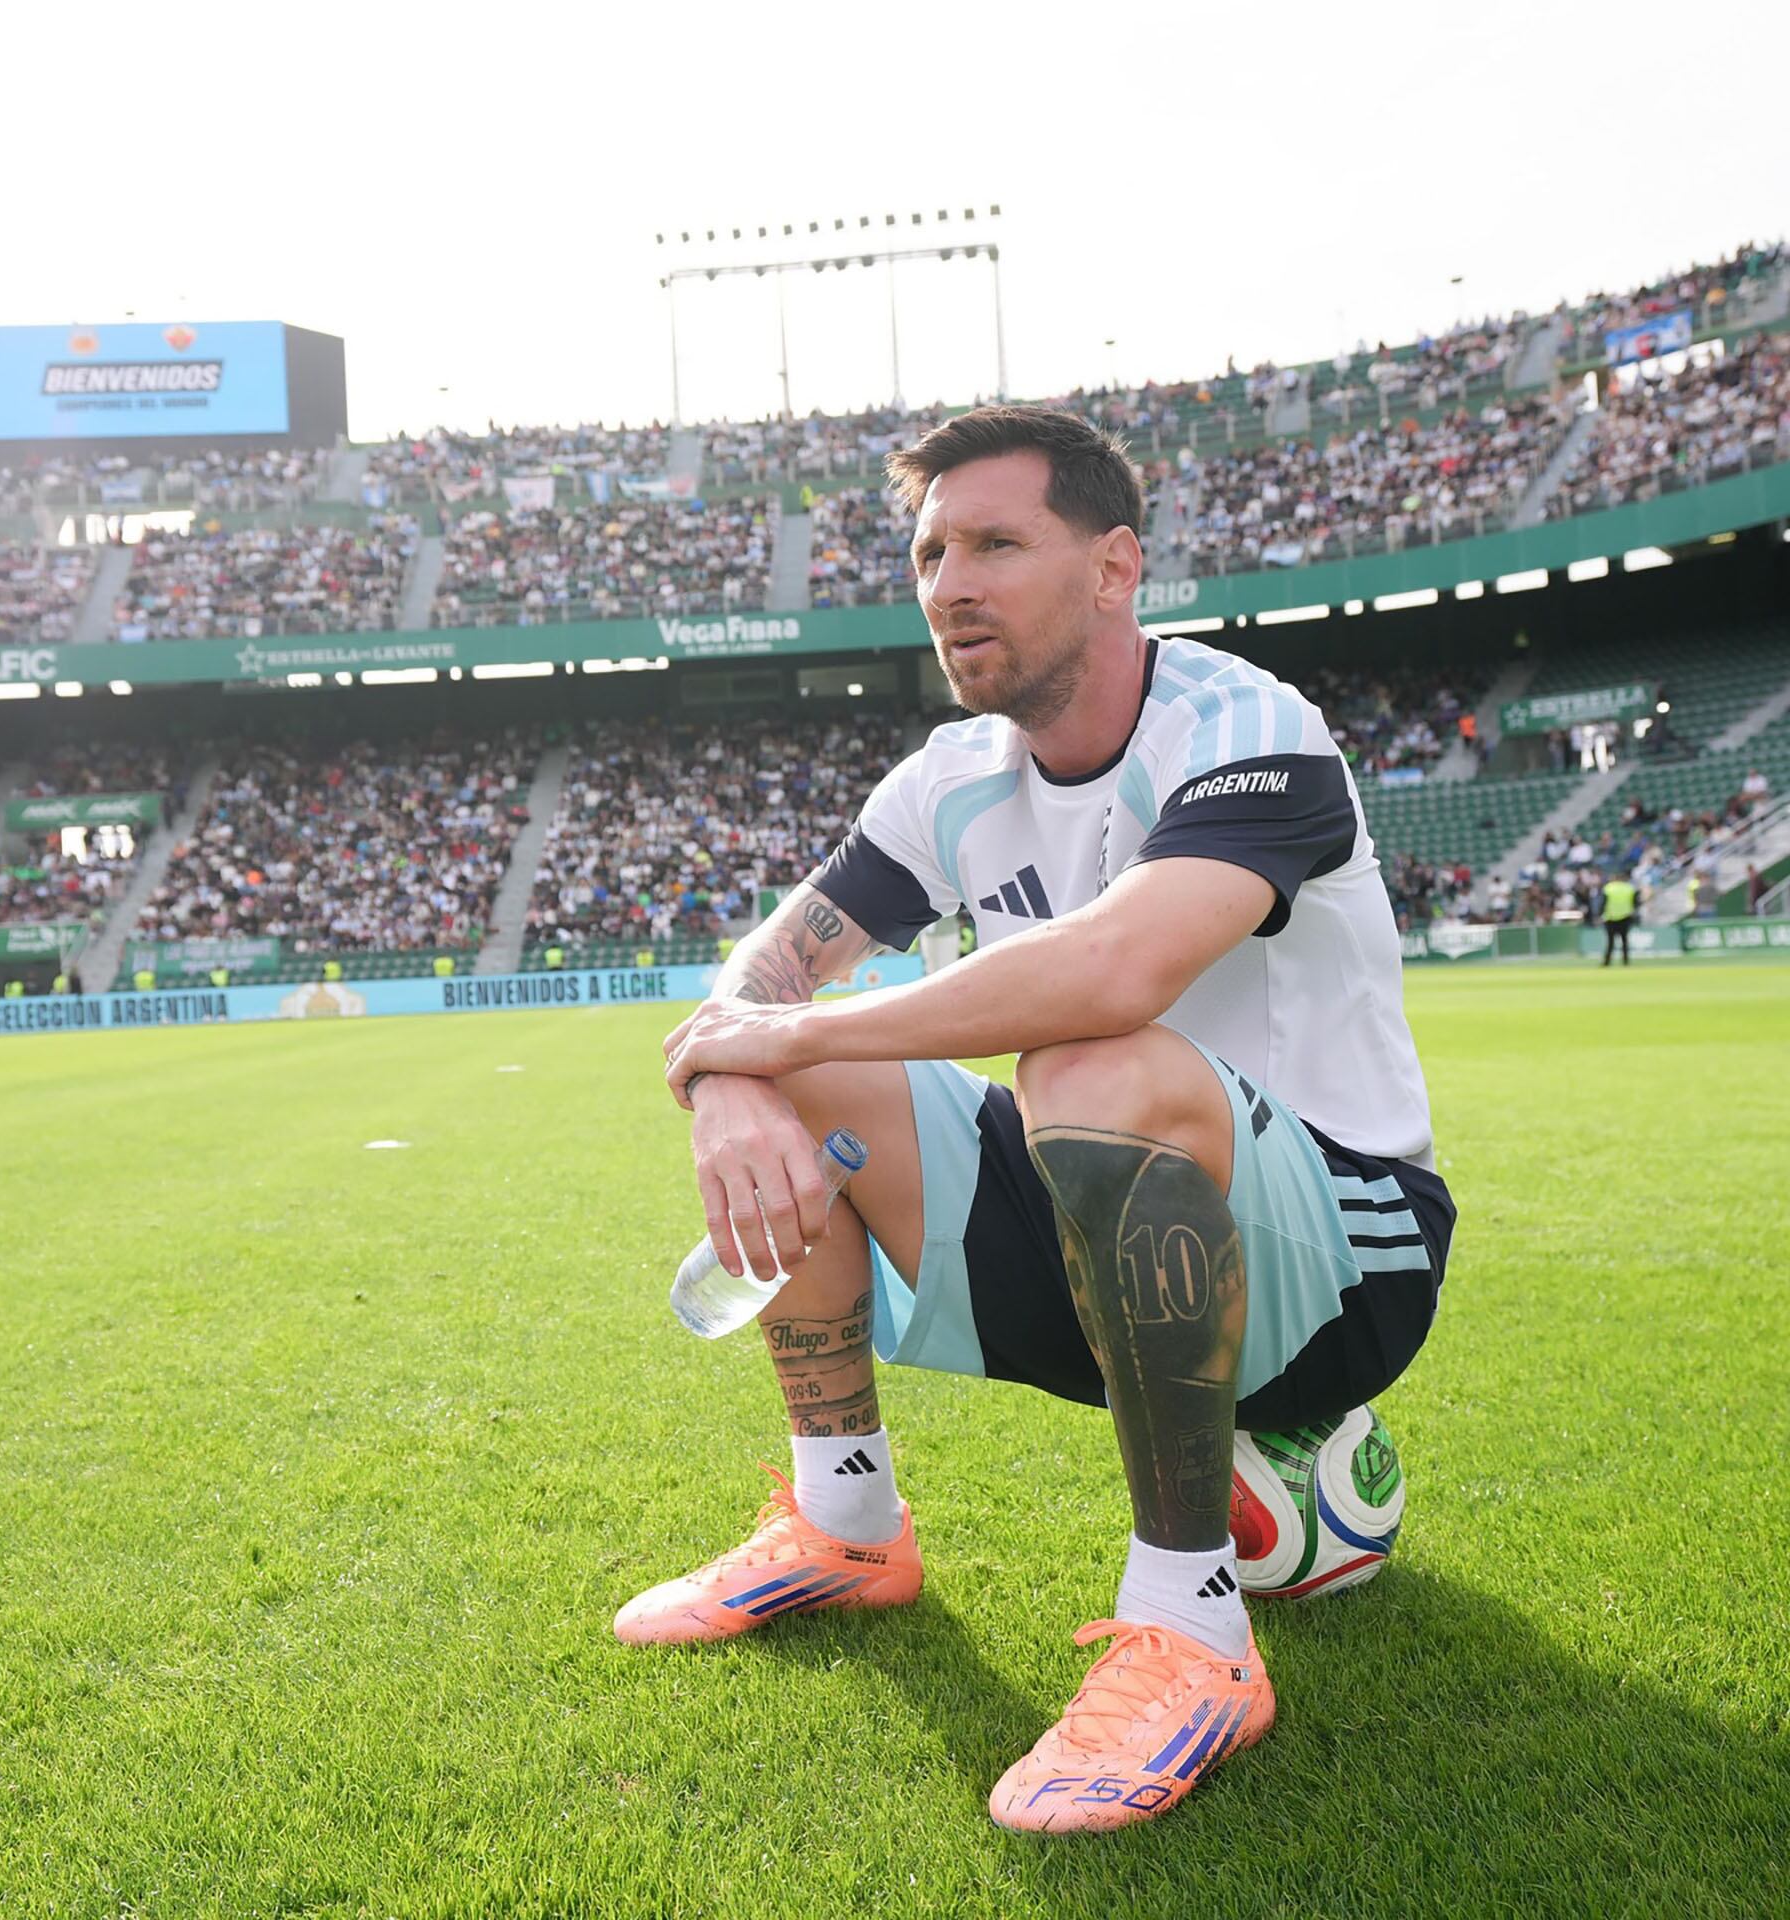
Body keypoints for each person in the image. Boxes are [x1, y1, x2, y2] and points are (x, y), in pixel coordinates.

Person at [619, 408, 1455, 1837]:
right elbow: (769, 969)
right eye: (931, 550)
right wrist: (738, 1073)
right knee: (815, 1077)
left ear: (1117, 566)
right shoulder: (950, 780)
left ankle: (1193, 1629)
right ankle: (846, 1521)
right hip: (1103, 1227)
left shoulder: (1246, 728)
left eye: (997, 543)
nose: (950, 581)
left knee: (1088, 1057)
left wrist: (775, 1033)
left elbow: (1120, 971)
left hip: (1344, 1259)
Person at [1600, 874, 1639, 965]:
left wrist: (1600, 914)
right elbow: (1635, 902)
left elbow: (1603, 902)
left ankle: (1607, 962)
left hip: (1610, 917)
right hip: (1626, 916)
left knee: (1610, 942)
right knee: (1624, 941)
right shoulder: (1629, 888)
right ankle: (1625, 961)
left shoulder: (1608, 888)